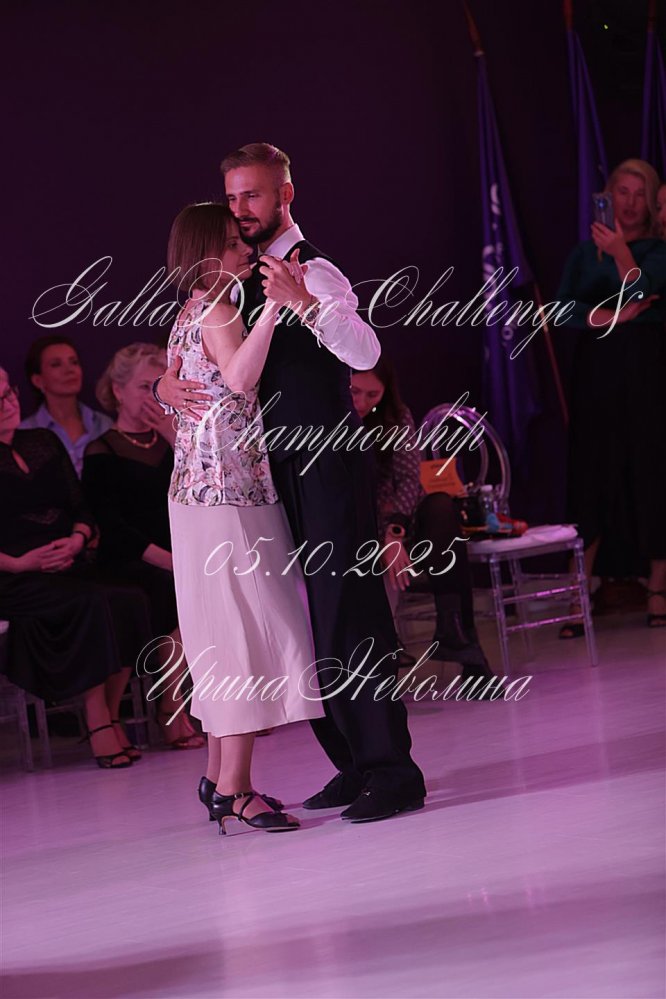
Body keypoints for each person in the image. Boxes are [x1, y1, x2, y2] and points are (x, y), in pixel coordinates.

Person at [157, 143, 426, 823]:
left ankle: (391, 771)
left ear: (285, 194)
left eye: (252, 195)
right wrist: (164, 385)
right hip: (263, 475)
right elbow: (205, 357)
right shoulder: (230, 276)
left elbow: (365, 352)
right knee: (304, 623)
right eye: (232, 197)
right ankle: (353, 763)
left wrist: (302, 301)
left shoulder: (315, 268)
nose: (241, 209)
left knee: (348, 614)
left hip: (322, 464)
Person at [165, 201, 325, 834]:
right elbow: (237, 380)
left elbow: (178, 383)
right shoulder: (219, 307)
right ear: (208, 251)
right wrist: (278, 310)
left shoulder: (189, 310)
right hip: (227, 494)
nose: (245, 250)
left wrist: (162, 388)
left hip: (201, 492)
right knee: (242, 634)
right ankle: (234, 789)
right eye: (233, 242)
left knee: (222, 633)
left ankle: (218, 776)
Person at [0, 366, 151, 768]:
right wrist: (19, 563)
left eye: (8, 393)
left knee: (129, 598)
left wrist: (78, 538)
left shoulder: (42, 440)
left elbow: (80, 506)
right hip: (13, 575)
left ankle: (111, 714)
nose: (7, 404)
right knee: (90, 602)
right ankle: (98, 720)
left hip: (68, 561)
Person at [557, 158, 666, 634]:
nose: (630, 202)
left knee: (651, 471)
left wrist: (622, 253)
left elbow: (644, 289)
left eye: (640, 193)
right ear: (607, 195)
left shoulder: (658, 250)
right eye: (622, 191)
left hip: (647, 373)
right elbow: (562, 310)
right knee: (591, 473)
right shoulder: (584, 254)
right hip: (596, 373)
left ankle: (658, 586)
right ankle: (578, 591)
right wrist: (615, 317)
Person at [82, 343, 204, 750]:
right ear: (118, 391)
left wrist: (172, 437)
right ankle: (170, 706)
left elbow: (199, 494)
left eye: (159, 385)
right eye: (142, 387)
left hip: (179, 552)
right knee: (172, 590)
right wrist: (171, 561)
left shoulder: (173, 443)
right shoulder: (101, 451)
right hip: (130, 560)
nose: (152, 395)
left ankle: (201, 704)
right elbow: (114, 529)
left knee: (211, 582)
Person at [350, 357, 496, 696]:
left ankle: (452, 629)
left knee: (441, 509)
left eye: (372, 395)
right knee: (441, 538)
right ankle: (456, 644)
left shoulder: (395, 416)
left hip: (399, 525)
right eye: (355, 391)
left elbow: (408, 480)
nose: (362, 402)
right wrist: (382, 532)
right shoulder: (330, 419)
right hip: (356, 526)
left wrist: (393, 532)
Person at [21, 336, 112, 476]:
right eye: (56, 364)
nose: (69, 370)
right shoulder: (25, 432)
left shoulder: (104, 424)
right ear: (38, 380)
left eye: (74, 362)